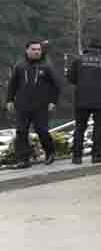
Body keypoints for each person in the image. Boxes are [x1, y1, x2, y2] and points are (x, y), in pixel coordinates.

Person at [5, 40, 61, 168]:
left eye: (38, 50)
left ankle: (50, 152)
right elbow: (12, 85)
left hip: (41, 105)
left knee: (42, 130)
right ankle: (23, 160)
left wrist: (53, 101)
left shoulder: (46, 66)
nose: (36, 52)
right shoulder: (20, 66)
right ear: (27, 50)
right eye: (33, 49)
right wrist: (9, 100)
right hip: (22, 105)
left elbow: (56, 86)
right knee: (21, 131)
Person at [67, 38, 101, 165]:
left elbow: (71, 78)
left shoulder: (78, 60)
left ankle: (77, 157)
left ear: (88, 47)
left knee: (79, 128)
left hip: (81, 99)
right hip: (100, 99)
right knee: (98, 128)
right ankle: (96, 155)